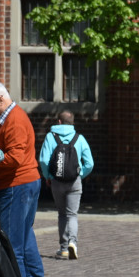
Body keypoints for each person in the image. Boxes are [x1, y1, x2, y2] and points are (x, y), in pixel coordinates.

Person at [0, 81, 52, 277]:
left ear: (0, 99)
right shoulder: (9, 119)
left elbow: (15, 158)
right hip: (22, 184)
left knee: (12, 246)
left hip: (16, 186)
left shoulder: (15, 120)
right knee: (25, 236)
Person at [37, 110, 94, 260]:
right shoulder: (79, 138)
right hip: (74, 181)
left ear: (59, 122)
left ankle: (63, 248)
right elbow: (90, 163)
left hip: (56, 181)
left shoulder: (50, 137)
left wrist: (48, 176)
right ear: (72, 122)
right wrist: (80, 174)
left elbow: (43, 160)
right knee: (72, 214)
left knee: (62, 214)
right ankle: (73, 243)